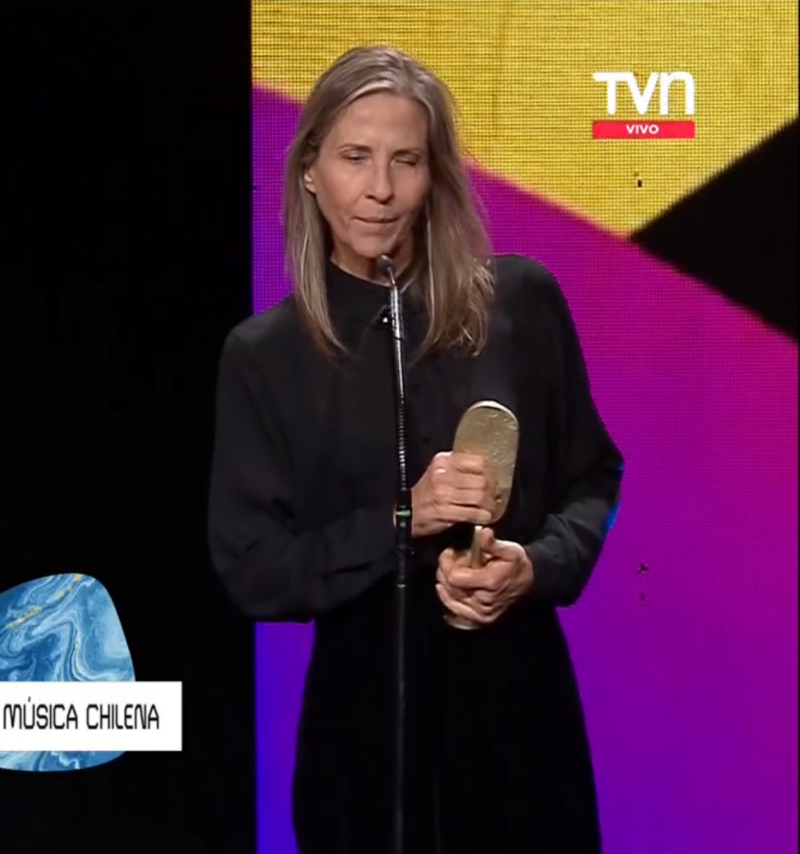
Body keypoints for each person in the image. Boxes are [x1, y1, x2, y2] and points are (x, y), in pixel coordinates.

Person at [208, 45, 623, 854]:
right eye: (355, 157)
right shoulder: (266, 356)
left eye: (406, 160)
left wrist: (536, 567)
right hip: (363, 741)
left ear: (435, 177)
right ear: (309, 170)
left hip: (518, 729)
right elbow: (253, 568)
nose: (381, 188)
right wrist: (404, 519)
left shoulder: (520, 302)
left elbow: (593, 478)